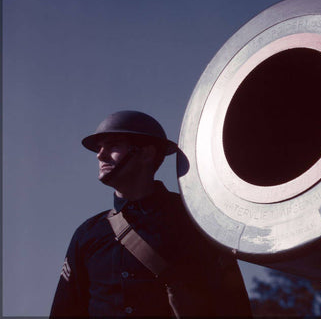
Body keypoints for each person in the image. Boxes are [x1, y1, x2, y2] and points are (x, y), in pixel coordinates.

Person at [50, 110, 252, 317]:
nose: (100, 155)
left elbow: (233, 305)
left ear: (147, 153)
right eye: (100, 148)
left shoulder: (194, 219)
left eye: (113, 146)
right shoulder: (88, 234)